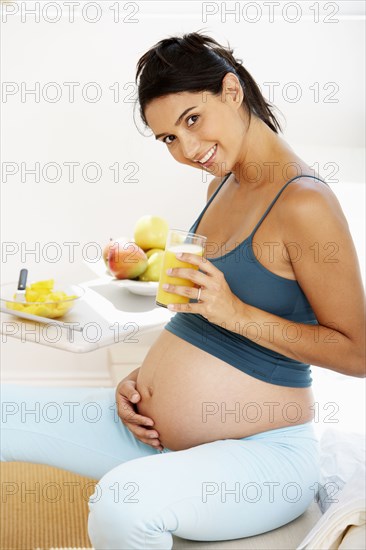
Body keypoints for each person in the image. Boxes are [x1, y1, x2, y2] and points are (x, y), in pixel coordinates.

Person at [1, 32, 365, 550]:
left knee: (121, 503)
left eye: (192, 119)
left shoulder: (304, 203)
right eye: (168, 138)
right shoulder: (222, 184)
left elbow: (358, 352)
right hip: (150, 432)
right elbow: (195, 317)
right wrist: (142, 380)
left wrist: (235, 312)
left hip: (263, 454)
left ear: (232, 92)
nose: (187, 149)